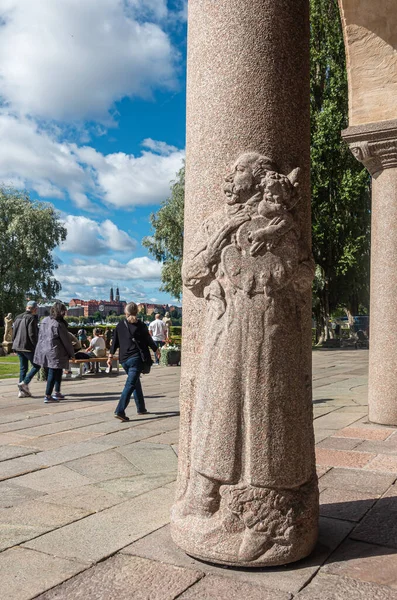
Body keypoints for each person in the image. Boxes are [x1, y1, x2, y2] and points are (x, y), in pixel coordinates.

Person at [108, 301, 160, 421]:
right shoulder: (141, 325)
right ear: (136, 312)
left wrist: (110, 357)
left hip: (124, 360)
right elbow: (148, 339)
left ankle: (141, 408)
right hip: (136, 358)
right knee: (130, 384)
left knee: (135, 382)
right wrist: (156, 349)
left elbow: (114, 343)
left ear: (126, 312)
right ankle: (120, 410)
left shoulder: (120, 325)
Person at [34, 302, 75, 403]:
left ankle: (57, 392)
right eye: (63, 311)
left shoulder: (44, 321)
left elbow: (40, 336)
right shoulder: (59, 324)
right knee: (53, 372)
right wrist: (72, 354)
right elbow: (66, 341)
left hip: (44, 349)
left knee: (57, 371)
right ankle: (48, 395)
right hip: (56, 351)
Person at [12, 301, 40, 398]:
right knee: (37, 365)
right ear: (35, 309)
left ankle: (22, 391)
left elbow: (14, 332)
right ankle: (24, 383)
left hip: (18, 345)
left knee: (23, 368)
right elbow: (32, 334)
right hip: (27, 346)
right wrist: (36, 346)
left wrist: (14, 344)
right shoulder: (32, 318)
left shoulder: (18, 317)